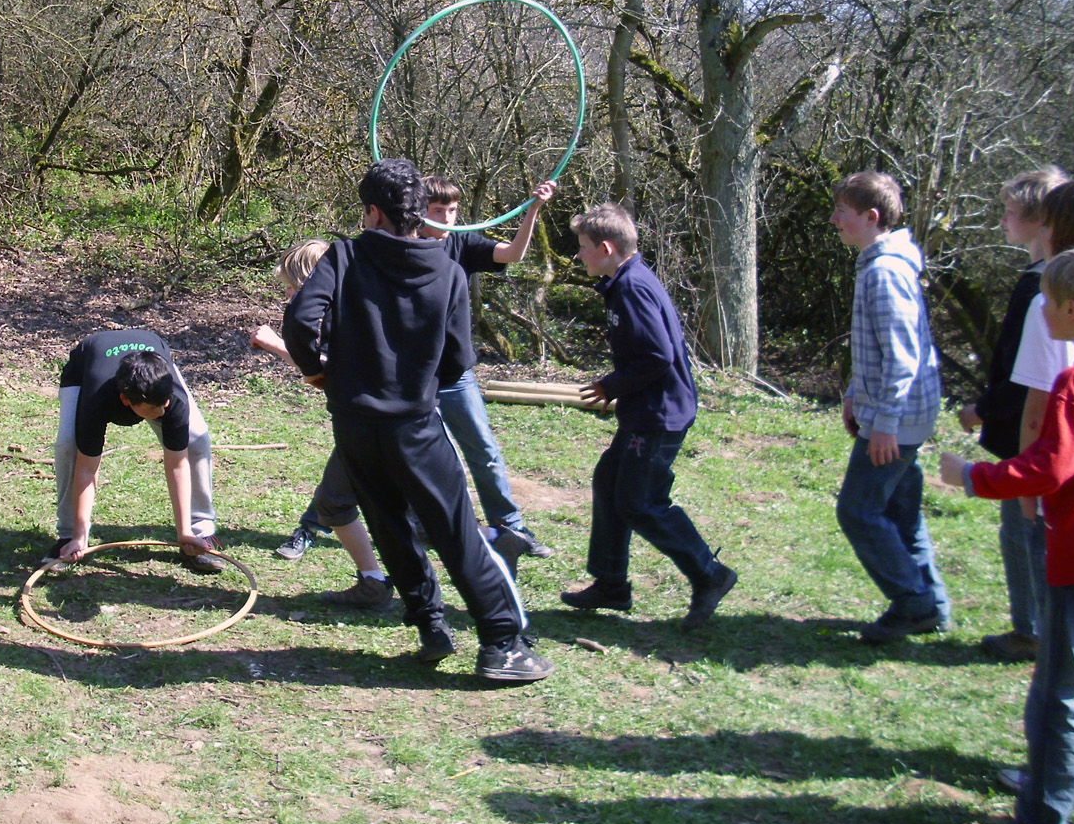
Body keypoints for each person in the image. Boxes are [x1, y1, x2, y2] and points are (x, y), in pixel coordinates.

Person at [282, 158, 552, 683]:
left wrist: (319, 372)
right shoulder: (448, 271)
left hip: (354, 423)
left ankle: (430, 623)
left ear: (373, 212)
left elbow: (300, 319)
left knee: (389, 525)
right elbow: (457, 360)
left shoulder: (345, 255)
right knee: (456, 532)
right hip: (415, 425)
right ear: (416, 212)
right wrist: (418, 383)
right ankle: (501, 645)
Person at [941, 248, 1074, 824]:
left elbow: (1050, 467)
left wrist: (973, 476)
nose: (1037, 311)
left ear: (1070, 310)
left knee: (1060, 696)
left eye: (1044, 302)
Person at [556, 201, 737, 628]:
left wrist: (611, 386)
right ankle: (611, 584)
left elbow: (657, 355)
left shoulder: (633, 287)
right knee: (609, 481)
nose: (578, 256)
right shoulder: (624, 280)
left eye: (582, 247)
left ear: (605, 248)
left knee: (640, 502)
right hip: (645, 411)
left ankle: (710, 574)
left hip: (659, 415)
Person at [829, 170, 951, 644]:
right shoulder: (879, 264)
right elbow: (875, 349)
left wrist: (885, 425)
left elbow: (902, 356)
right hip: (897, 413)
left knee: (858, 511)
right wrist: (854, 393)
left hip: (897, 419)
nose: (834, 219)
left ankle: (913, 604)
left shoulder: (884, 272)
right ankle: (932, 603)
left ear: (871, 216)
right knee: (901, 512)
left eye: (842, 211)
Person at [957, 168, 1067, 662]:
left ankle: (1033, 631)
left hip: (1029, 433)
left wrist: (982, 410)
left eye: (1009, 210)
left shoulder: (1042, 286)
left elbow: (1025, 375)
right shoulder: (1062, 277)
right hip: (1045, 431)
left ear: (1040, 218)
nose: (1001, 219)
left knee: (1023, 531)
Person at [419, 175, 556, 569]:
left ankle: (511, 527)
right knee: (429, 458)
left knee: (485, 452)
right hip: (416, 378)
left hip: (456, 375)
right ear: (418, 211)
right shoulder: (399, 246)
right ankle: (426, 523)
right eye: (438, 211)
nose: (447, 218)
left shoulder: (461, 243)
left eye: (452, 210)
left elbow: (513, 254)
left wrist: (532, 211)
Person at [252, 240, 393, 608]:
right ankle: (378, 582)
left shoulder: (343, 316)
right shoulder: (359, 304)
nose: (287, 295)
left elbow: (331, 373)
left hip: (373, 424)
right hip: (376, 421)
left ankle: (391, 585)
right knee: (342, 503)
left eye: (291, 287)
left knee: (342, 505)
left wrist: (277, 345)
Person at [1006, 178, 1074, 653]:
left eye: (1047, 221)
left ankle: (1039, 638)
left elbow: (1037, 408)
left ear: (1060, 229)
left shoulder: (1047, 303)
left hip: (1061, 481)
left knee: (1062, 619)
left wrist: (1024, 484)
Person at [47, 328, 221, 574]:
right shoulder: (96, 400)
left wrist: (183, 531)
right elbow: (87, 470)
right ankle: (70, 537)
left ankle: (198, 532)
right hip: (86, 366)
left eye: (164, 404)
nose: (162, 412)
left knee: (195, 438)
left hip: (149, 362)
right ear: (126, 401)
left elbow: (177, 464)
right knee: (69, 445)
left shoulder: (170, 399)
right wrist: (80, 535)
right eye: (152, 409)